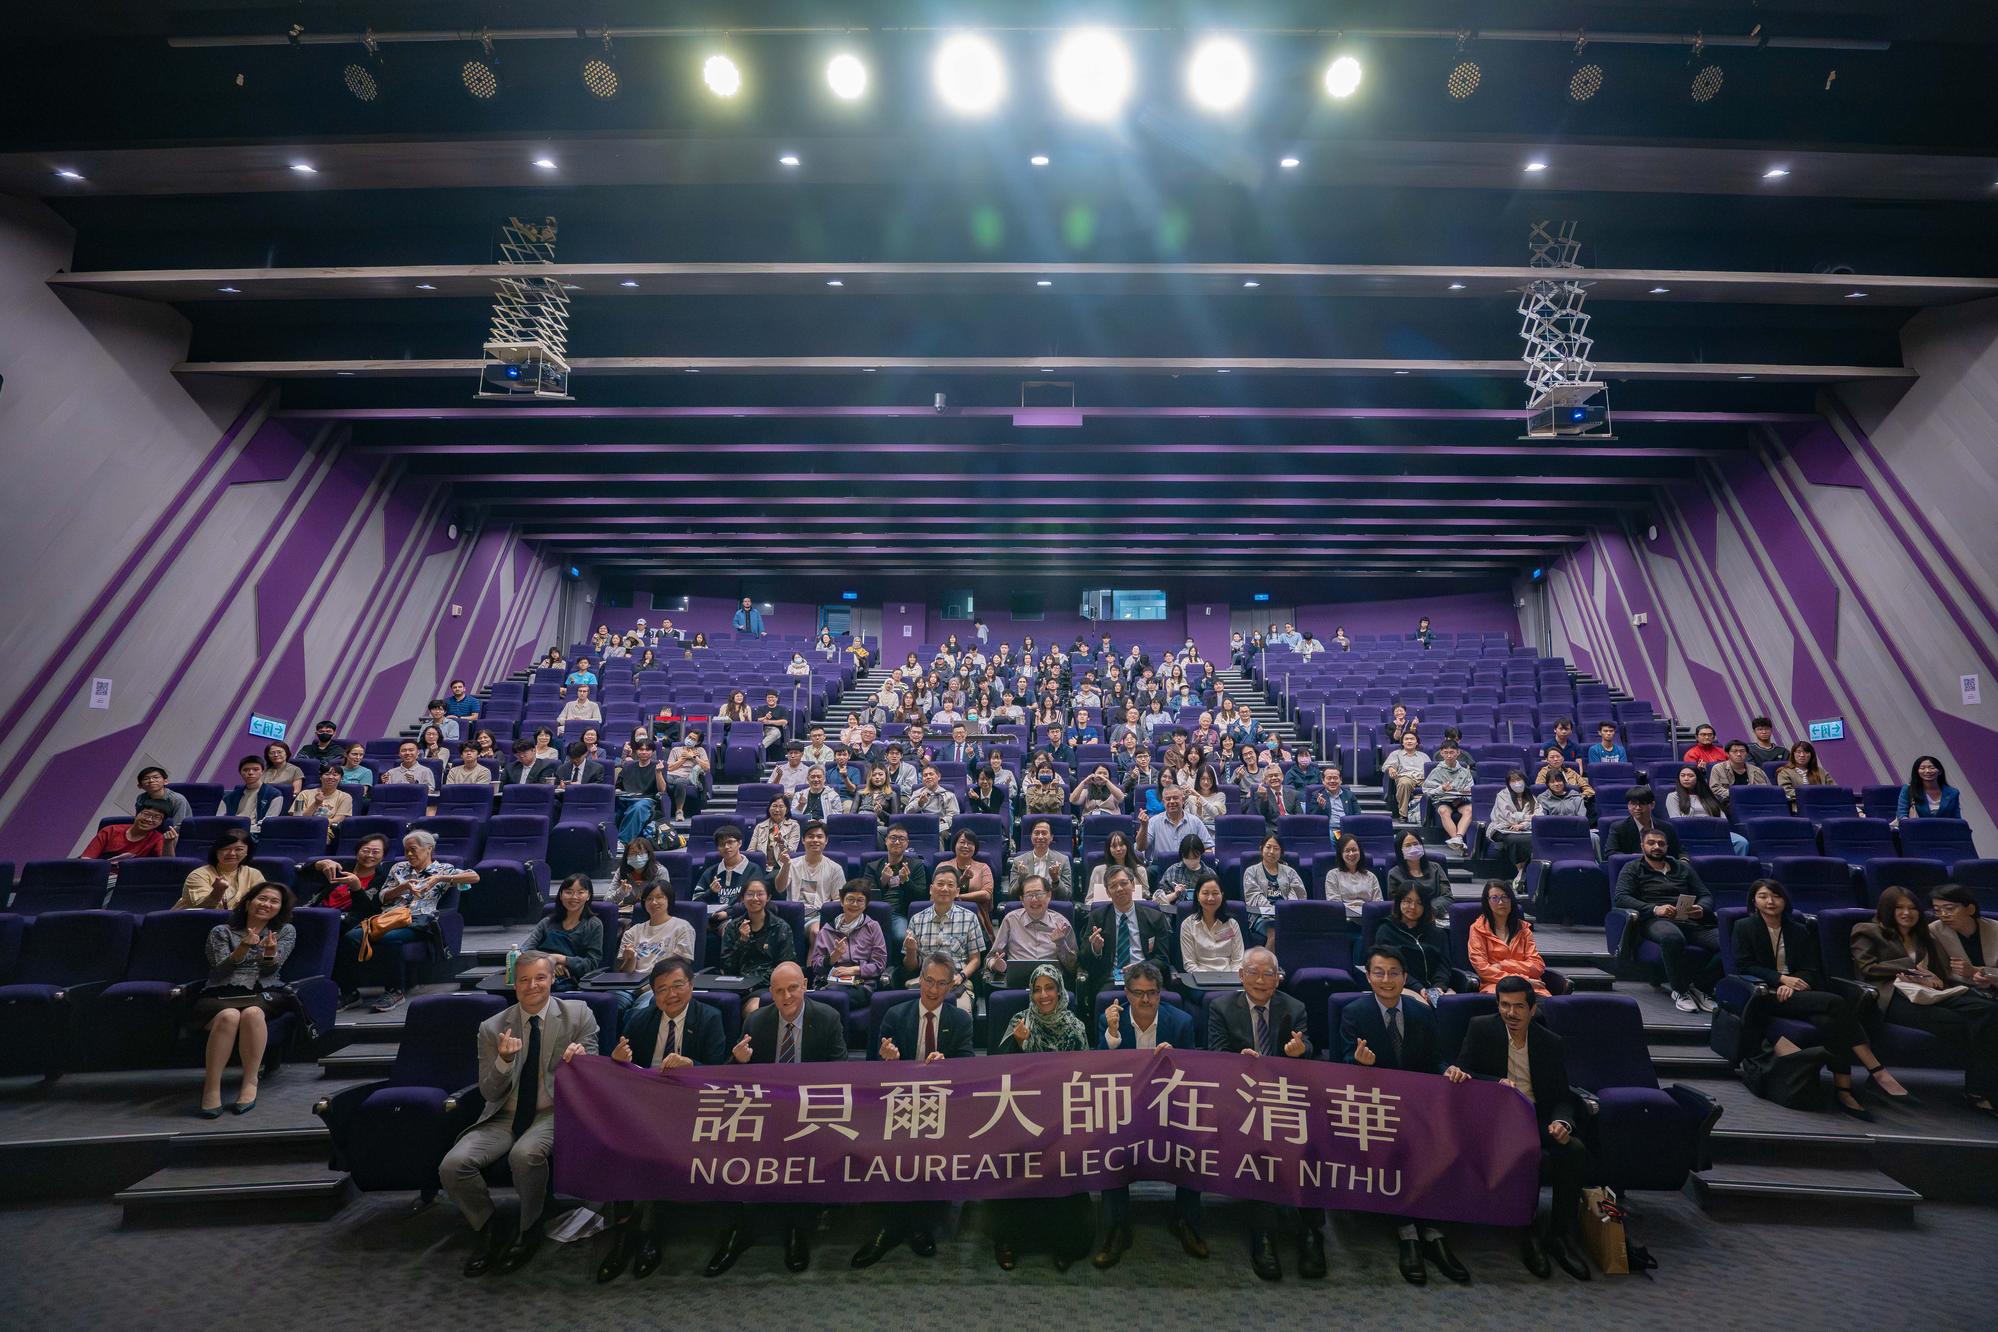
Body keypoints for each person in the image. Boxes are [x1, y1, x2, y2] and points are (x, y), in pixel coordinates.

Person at [441, 951, 598, 1277]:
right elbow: (489, 1092)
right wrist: (504, 1062)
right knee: (453, 1166)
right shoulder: (493, 1027)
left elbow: (594, 1076)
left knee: (524, 1156)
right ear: (514, 984)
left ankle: (529, 1229)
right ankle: (489, 1225)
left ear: (553, 978)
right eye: (524, 979)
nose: (532, 986)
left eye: (540, 977)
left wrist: (582, 1060)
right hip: (503, 1115)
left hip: (553, 1112)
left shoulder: (578, 1014)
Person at [1447, 976, 1591, 1280]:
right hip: (1494, 1117)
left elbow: (1562, 1097)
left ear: (1532, 1008)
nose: (1510, 1013)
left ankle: (1559, 1235)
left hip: (1534, 1116)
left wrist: (1562, 1123)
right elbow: (1462, 1074)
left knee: (1573, 1149)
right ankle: (1529, 1235)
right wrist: (1494, 1084)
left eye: (1518, 1007)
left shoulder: (1550, 1043)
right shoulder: (1481, 1028)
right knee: (1527, 1149)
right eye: (1504, 1005)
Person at [1340, 944, 1468, 1285]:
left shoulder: (1422, 1012)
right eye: (1378, 973)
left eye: (1393, 973)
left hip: (1416, 1104)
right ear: (1368, 976)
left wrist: (1449, 1070)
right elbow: (1339, 1068)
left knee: (1439, 1140)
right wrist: (1359, 1064)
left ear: (1405, 977)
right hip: (1373, 1106)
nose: (1386, 979)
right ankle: (1409, 1231)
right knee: (1399, 1143)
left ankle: (1432, 1230)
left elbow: (1436, 1059)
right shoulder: (1353, 1012)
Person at [704, 963, 844, 1276]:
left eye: (793, 988)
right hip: (764, 1109)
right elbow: (733, 1080)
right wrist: (737, 1062)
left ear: (805, 985)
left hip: (809, 1110)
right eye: (779, 990)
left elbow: (840, 1073)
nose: (786, 996)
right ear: (771, 993)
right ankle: (739, 1229)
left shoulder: (827, 1018)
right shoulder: (757, 1020)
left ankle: (796, 1228)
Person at [1735, 878, 1906, 1118]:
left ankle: (1843, 1088)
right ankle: (1875, 1069)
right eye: (1763, 896)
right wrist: (1781, 980)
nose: (1770, 902)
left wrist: (1794, 983)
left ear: (1785, 900)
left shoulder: (1799, 929)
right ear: (1754, 900)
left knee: (1830, 1023)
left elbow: (1811, 969)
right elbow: (1744, 966)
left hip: (1797, 993)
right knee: (1836, 1003)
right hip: (1765, 995)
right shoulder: (1744, 926)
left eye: (1776, 896)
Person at [854, 953, 975, 1268]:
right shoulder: (895, 1014)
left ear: (951, 987)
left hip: (941, 1106)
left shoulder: (960, 1020)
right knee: (896, 1147)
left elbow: (969, 1068)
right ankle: (893, 1226)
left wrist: (948, 1066)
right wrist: (888, 1061)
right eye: (929, 981)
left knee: (929, 1148)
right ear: (920, 979)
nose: (933, 990)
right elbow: (870, 1071)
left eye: (941, 984)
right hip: (897, 1104)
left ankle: (918, 1225)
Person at [1208, 948, 1320, 1280]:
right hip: (1240, 1097)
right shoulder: (1221, 1007)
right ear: (1240, 976)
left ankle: (1312, 1231)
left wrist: (1301, 1052)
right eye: (1253, 973)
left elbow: (1310, 1049)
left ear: (1278, 978)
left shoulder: (1294, 1007)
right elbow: (1214, 1056)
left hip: (1284, 1095)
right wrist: (1235, 1060)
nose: (1260, 980)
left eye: (1268, 974)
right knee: (1259, 1143)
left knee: (1311, 1141)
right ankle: (1264, 1233)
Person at [1852, 886, 1998, 1115]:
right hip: (1894, 996)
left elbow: (1940, 970)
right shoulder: (1868, 930)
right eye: (1899, 908)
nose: (1906, 913)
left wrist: (1933, 978)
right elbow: (1867, 968)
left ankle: (1981, 1085)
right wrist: (1912, 968)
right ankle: (1980, 1091)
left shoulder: (1925, 935)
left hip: (1931, 991)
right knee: (1963, 1022)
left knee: (1989, 1010)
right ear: (1887, 910)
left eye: (1912, 908)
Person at [989, 962, 1095, 1270]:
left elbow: (1082, 1078)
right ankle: (1009, 1241)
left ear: (1060, 991)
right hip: (1021, 1114)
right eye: (1037, 989)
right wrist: (1021, 1045)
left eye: (1050, 988)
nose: (1043, 995)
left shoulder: (1075, 1028)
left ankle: (1064, 1244)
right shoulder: (1018, 1021)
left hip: (1062, 1116)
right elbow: (999, 1074)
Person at [194, 882, 296, 1117]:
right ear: (249, 902)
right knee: (229, 1016)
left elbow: (271, 972)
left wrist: (269, 954)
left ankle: (250, 1083)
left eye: (274, 901)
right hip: (221, 993)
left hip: (262, 994)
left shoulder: (285, 932)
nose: (266, 904)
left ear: (280, 908)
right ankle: (212, 1087)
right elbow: (219, 972)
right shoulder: (221, 931)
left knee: (252, 1013)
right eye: (262, 899)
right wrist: (241, 949)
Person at [363, 829, 478, 1011]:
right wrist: (402, 888)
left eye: (413, 849)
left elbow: (474, 876)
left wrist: (441, 878)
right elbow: (382, 897)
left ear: (428, 849)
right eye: (406, 850)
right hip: (389, 918)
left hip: (419, 921)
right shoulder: (398, 868)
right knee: (351, 937)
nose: (409, 854)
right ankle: (349, 993)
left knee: (388, 938)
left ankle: (395, 991)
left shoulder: (443, 869)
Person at [1615, 829, 1719, 1013]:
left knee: (1729, 942)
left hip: (1690, 920)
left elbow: (1705, 895)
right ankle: (1680, 990)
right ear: (1642, 846)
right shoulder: (1632, 868)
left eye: (1661, 843)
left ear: (1667, 847)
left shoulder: (1682, 867)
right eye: (1651, 843)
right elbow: (1622, 898)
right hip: (1655, 920)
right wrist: (1655, 909)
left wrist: (1701, 908)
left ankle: (1700, 986)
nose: (1656, 847)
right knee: (1672, 937)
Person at [1080, 866, 1173, 1005]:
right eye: (1113, 886)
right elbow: (1083, 958)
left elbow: (1163, 959)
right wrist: (1095, 949)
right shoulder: (1098, 917)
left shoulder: (1154, 917)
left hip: (1146, 976)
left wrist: (1142, 967)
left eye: (1124, 883)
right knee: (1102, 998)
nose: (1119, 889)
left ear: (1133, 885)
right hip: (1112, 979)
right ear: (1107, 892)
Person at [904, 868, 983, 1007]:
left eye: (950, 885)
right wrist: (911, 950)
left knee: (961, 1015)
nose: (945, 889)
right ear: (931, 889)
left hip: (957, 981)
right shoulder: (917, 920)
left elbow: (975, 960)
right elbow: (910, 967)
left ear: (957, 891)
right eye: (940, 884)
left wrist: (961, 976)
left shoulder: (970, 918)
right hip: (924, 982)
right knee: (910, 1015)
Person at [614, 882, 696, 1012]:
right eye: (649, 898)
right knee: (611, 1004)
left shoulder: (682, 927)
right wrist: (630, 958)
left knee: (641, 1010)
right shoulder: (633, 931)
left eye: (659, 897)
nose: (654, 902)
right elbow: (625, 974)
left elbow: (682, 966)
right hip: (631, 986)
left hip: (662, 985)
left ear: (669, 899)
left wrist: (652, 983)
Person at [985, 873, 1077, 980]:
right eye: (1029, 895)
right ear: (1022, 900)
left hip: (1052, 987)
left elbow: (1074, 967)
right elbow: (990, 958)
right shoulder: (1010, 920)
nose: (1034, 900)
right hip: (1018, 984)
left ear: (1048, 896)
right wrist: (995, 965)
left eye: (1038, 894)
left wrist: (1061, 944)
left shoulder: (1062, 924)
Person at [1378, 885, 1459, 1004]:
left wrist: (1439, 986)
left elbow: (1443, 964)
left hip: (1436, 989)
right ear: (1398, 903)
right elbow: (1392, 967)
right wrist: (1418, 988)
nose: (1413, 907)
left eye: (1419, 903)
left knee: (1452, 1005)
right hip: (1403, 987)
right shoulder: (1386, 931)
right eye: (1407, 901)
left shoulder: (1437, 933)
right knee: (1421, 1006)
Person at [521, 875, 603, 992]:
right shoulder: (547, 922)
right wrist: (550, 964)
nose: (574, 897)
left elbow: (591, 964)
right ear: (560, 895)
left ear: (588, 896)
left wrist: (561, 959)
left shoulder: (594, 925)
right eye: (568, 892)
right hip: (538, 976)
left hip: (574, 983)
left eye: (580, 892)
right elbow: (525, 951)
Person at [722, 879, 794, 1012]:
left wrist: (753, 983)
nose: (755, 898)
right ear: (742, 898)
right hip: (736, 985)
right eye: (749, 894)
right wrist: (742, 941)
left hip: (766, 986)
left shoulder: (780, 927)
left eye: (760, 894)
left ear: (768, 897)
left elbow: (784, 966)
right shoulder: (733, 927)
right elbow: (728, 967)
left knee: (753, 1009)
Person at [1468, 879, 1550, 994]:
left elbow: (1537, 966)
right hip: (1496, 984)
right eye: (1494, 898)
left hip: (1531, 986)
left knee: (1547, 1006)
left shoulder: (1523, 929)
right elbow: (1483, 969)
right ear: (1487, 902)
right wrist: (1522, 980)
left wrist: (1503, 965)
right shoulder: (1477, 929)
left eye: (1505, 897)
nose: (1501, 902)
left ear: (1511, 900)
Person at [808, 881, 887, 1000]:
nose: (854, 904)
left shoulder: (873, 927)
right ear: (841, 901)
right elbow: (815, 966)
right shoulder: (827, 929)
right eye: (850, 899)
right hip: (830, 983)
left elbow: (879, 964)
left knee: (837, 998)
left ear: (865, 904)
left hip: (861, 983)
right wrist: (833, 957)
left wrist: (853, 970)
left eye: (860, 900)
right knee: (830, 995)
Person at [864, 826, 928, 951]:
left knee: (900, 937)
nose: (897, 842)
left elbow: (922, 896)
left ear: (907, 843)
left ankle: (897, 968)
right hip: (875, 913)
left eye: (901, 839)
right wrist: (883, 881)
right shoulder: (872, 866)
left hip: (899, 913)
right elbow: (866, 895)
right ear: (886, 841)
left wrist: (906, 882)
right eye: (893, 838)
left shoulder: (916, 865)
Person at [1928, 884, 1998, 998]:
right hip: (1962, 990)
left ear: (1970, 909)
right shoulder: (1935, 931)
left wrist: (1976, 971)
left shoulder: (1995, 929)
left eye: (1950, 908)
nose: (1943, 915)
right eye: (1937, 910)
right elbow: (1941, 971)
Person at [776, 820, 846, 925]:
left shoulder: (835, 868)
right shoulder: (791, 864)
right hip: (793, 915)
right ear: (803, 840)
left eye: (819, 836)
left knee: (815, 931)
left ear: (826, 840)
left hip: (819, 917)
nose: (815, 840)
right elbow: (779, 888)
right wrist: (785, 866)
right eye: (810, 836)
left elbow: (838, 900)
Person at [176, 828, 265, 910]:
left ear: (247, 852)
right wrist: (217, 892)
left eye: (239, 849)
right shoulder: (199, 874)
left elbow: (262, 902)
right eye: (226, 849)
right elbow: (201, 908)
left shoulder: (254, 874)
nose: (232, 853)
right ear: (216, 851)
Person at [1242, 834, 1306, 946]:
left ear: (1281, 852)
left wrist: (1285, 910)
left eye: (1276, 849)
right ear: (1261, 849)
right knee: (1275, 934)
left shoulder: (1290, 872)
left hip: (1287, 915)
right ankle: (1268, 963)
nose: (1271, 852)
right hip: (1262, 916)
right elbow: (1253, 897)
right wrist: (1273, 911)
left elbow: (1299, 894)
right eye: (1268, 847)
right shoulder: (1251, 871)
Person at [1179, 874, 1245, 972]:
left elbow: (1238, 961)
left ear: (1222, 895)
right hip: (1200, 980)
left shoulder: (1232, 924)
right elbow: (1189, 963)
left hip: (1229, 979)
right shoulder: (1188, 925)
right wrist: (1208, 980)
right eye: (1205, 893)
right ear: (1197, 896)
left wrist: (1231, 981)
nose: (1210, 898)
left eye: (1215, 893)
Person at [1386, 831, 1451, 923]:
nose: (1413, 848)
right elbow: (1395, 902)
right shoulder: (1394, 874)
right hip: (1408, 918)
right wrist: (1419, 909)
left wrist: (1430, 909)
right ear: (1400, 850)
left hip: (1436, 915)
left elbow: (1447, 896)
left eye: (1416, 844)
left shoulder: (1436, 868)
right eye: (1408, 845)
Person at [612, 738, 666, 847]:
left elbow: (662, 790)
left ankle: (623, 842)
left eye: (647, 750)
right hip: (625, 797)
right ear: (636, 751)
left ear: (653, 752)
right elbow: (618, 786)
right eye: (641, 749)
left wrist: (658, 772)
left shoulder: (657, 767)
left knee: (638, 808)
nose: (644, 752)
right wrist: (618, 792)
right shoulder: (628, 766)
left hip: (645, 799)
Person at [1138, 783, 1213, 861]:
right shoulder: (1154, 821)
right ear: (1163, 802)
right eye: (1168, 799)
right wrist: (1144, 826)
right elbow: (1140, 847)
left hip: (1189, 867)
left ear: (1183, 800)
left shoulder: (1195, 822)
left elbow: (1208, 848)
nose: (1172, 801)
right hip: (1160, 867)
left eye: (1175, 798)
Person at [1485, 769, 1536, 882]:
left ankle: (1524, 872)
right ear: (1508, 783)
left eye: (1519, 779)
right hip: (1502, 828)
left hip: (1525, 829)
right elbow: (1506, 816)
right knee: (1515, 839)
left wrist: (1524, 825)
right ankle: (1521, 870)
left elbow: (1538, 816)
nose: (1517, 783)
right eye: (1513, 781)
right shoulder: (1502, 795)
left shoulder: (1530, 795)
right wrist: (1526, 818)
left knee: (1531, 839)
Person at [692, 826, 755, 917]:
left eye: (730, 842)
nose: (726, 847)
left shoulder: (752, 870)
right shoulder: (711, 872)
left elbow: (756, 900)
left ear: (739, 843)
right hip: (710, 919)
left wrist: (727, 913)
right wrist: (711, 892)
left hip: (740, 918)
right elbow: (696, 902)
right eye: (721, 844)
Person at [1422, 742, 1475, 849]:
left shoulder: (1465, 772)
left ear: (1458, 753)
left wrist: (1462, 796)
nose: (1449, 756)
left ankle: (1458, 838)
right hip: (1443, 800)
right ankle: (1457, 840)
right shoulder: (1436, 771)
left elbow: (1471, 791)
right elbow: (1426, 791)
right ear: (1441, 753)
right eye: (1446, 753)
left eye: (1452, 752)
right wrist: (1441, 788)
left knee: (1470, 809)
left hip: (1461, 801)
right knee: (1443, 811)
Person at [1604, 786, 1681, 858]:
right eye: (1633, 804)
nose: (1637, 808)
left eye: (1642, 804)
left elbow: (1679, 852)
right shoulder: (1618, 828)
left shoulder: (1666, 827)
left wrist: (1684, 860)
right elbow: (1610, 854)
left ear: (1652, 805)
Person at [1008, 817, 1073, 902]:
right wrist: (1021, 878)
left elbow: (1066, 896)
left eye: (1044, 833)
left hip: (1052, 907)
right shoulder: (1019, 861)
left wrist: (1055, 879)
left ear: (1051, 837)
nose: (1040, 837)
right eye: (1036, 833)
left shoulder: (1063, 860)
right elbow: (1012, 895)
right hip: (1027, 906)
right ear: (1031, 837)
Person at [1323, 832, 1383, 917]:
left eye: (1354, 850)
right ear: (1341, 854)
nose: (1351, 854)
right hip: (1343, 918)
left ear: (1360, 852)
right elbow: (1334, 905)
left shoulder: (1371, 876)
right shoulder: (1333, 875)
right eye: (1347, 851)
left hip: (1368, 918)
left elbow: (1378, 903)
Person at [81, 805, 174, 860]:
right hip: (97, 876)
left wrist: (168, 843)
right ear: (136, 815)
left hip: (129, 883)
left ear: (161, 823)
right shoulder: (110, 830)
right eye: (146, 814)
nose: (149, 819)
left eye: (157, 817)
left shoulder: (158, 838)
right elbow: (87, 859)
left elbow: (167, 866)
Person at [221, 754, 285, 833]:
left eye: (255, 769)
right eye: (245, 770)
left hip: (255, 833)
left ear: (262, 771)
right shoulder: (229, 797)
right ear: (240, 773)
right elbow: (219, 819)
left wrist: (245, 830)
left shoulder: (274, 795)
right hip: (231, 832)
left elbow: (268, 823)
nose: (250, 773)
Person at [1086, 829, 1150, 903]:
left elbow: (1146, 898)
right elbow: (1089, 901)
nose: (1118, 849)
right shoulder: (1098, 871)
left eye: (1121, 845)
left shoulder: (1140, 870)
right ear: (1108, 849)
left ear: (1127, 846)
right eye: (1114, 846)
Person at [1897, 755, 1962, 823]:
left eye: (1932, 767)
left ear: (1940, 771)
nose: (1927, 771)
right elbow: (1901, 815)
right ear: (1917, 772)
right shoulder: (1908, 789)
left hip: (1944, 831)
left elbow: (1957, 819)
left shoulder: (1953, 792)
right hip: (1916, 830)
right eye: (1922, 768)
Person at [1382, 731, 1429, 820]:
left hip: (1422, 778)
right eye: (1406, 739)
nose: (1409, 741)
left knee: (1434, 784)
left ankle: (1427, 814)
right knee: (1404, 783)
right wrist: (1391, 768)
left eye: (1412, 739)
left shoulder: (1424, 756)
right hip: (1405, 777)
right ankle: (1403, 814)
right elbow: (1385, 767)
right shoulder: (1396, 754)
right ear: (1402, 742)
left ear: (1417, 742)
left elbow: (1429, 770)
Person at [1307, 764, 1361, 835]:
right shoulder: (1317, 795)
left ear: (1340, 780)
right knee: (1332, 836)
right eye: (1329, 778)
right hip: (1329, 829)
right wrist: (1321, 807)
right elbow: (1313, 819)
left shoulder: (1349, 795)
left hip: (1346, 828)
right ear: (1323, 781)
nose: (1332, 781)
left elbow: (1357, 813)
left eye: (1335, 778)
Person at [749, 794, 800, 863]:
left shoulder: (794, 826)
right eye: (774, 806)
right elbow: (751, 851)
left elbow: (791, 852)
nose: (777, 810)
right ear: (769, 808)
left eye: (781, 806)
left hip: (781, 866)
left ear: (787, 810)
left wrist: (782, 843)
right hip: (761, 866)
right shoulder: (760, 827)